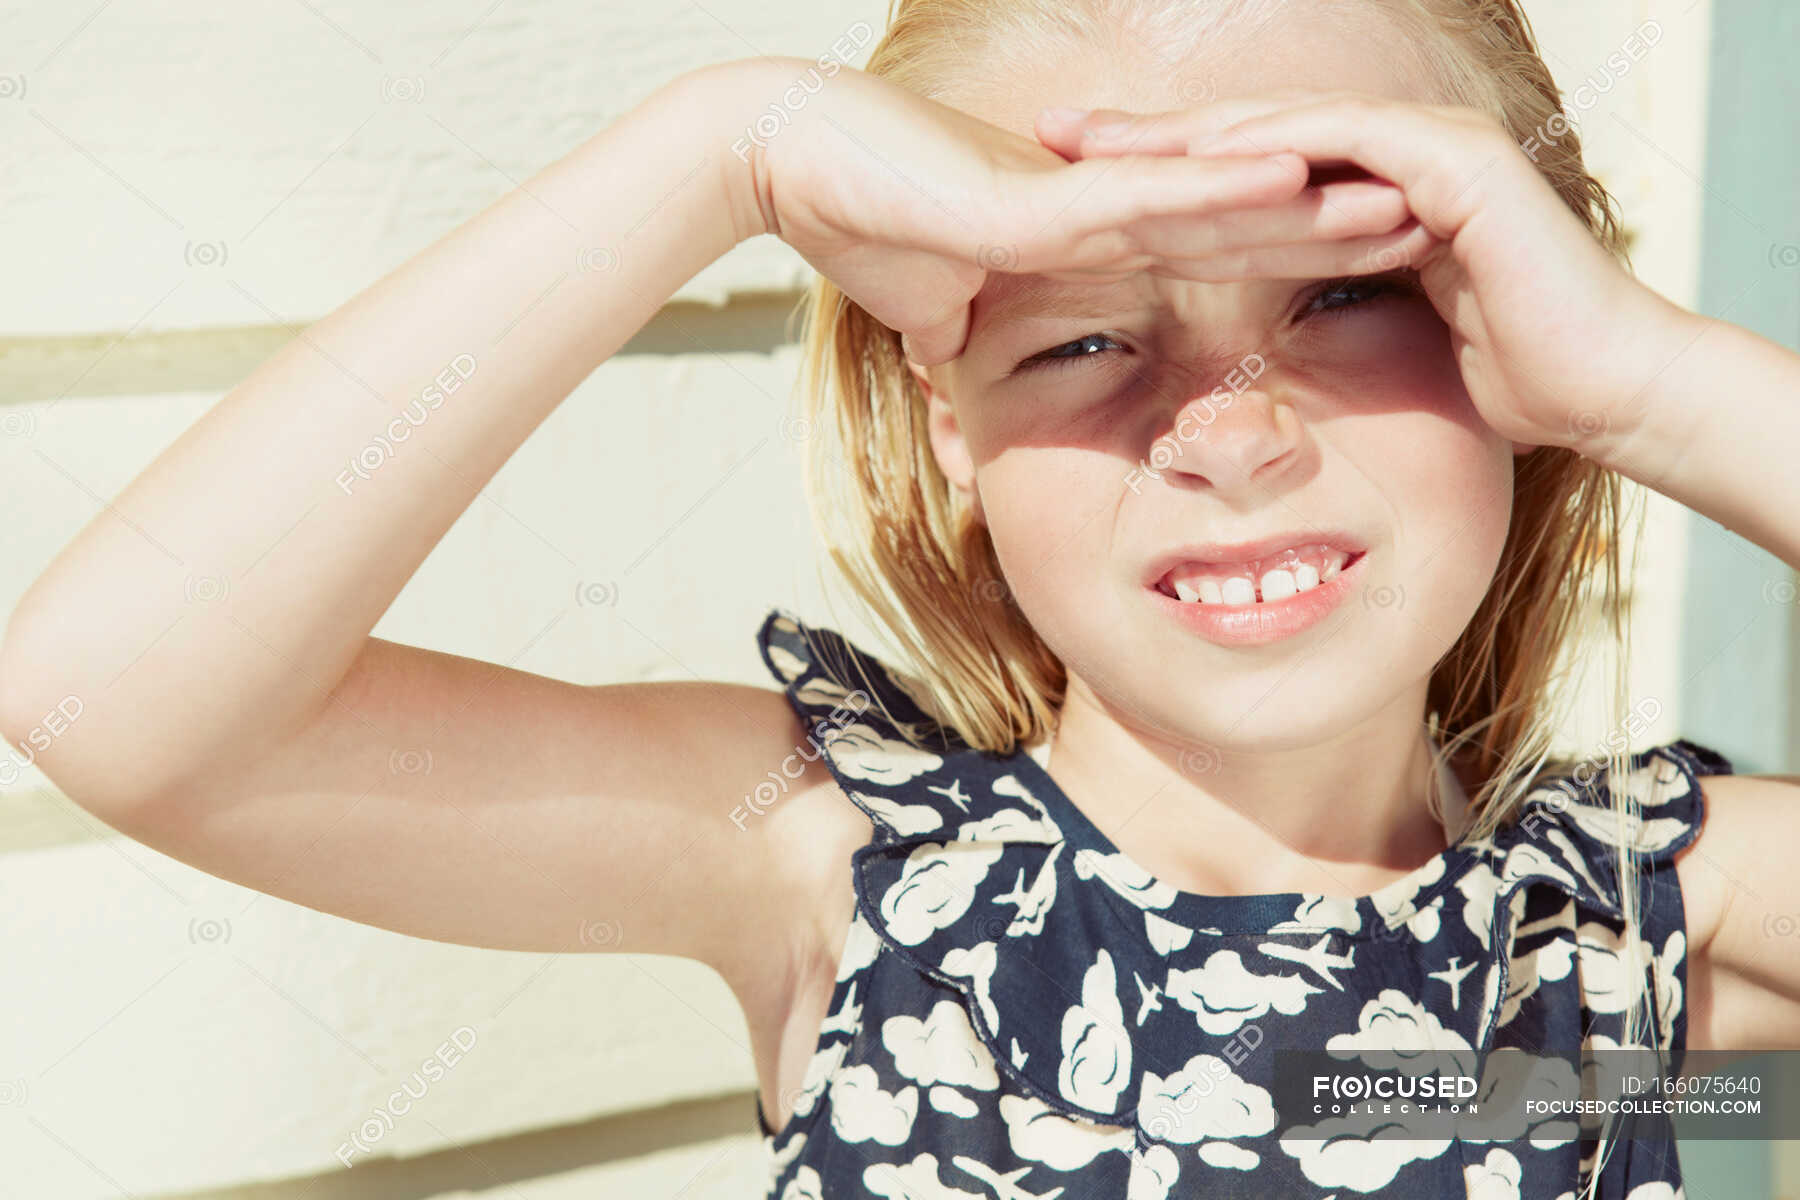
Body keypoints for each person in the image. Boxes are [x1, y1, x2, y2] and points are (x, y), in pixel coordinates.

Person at [4, 0, 1799, 1196]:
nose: (1228, 437)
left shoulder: (1626, 964)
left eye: (1346, 295)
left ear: (1520, 326)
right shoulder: (838, 869)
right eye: (1082, 332)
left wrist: (1659, 386)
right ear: (948, 425)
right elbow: (116, 700)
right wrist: (726, 154)